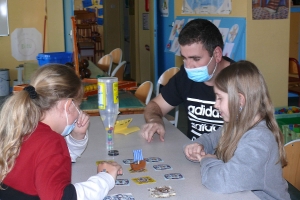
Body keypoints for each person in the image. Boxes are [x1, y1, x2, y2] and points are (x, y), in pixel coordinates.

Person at [0, 64, 122, 200]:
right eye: (78, 106)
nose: (79, 113)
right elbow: (61, 197)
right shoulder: (51, 142)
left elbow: (51, 161)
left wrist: (77, 137)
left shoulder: (23, 126)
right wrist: (105, 178)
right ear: (68, 106)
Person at [184, 60, 290, 200]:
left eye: (220, 98)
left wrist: (207, 160)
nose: (216, 105)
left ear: (240, 100)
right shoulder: (235, 125)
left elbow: (223, 182)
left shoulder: (259, 139)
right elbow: (210, 138)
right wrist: (198, 146)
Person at [142, 18, 234, 142]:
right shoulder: (185, 77)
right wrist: (155, 121)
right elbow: (155, 105)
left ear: (217, 54)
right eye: (184, 58)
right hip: (193, 154)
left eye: (195, 59)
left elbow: (257, 132)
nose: (189, 66)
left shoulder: (241, 81)